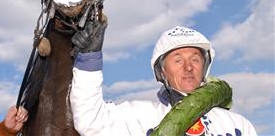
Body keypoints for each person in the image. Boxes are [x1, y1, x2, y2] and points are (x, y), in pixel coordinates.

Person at [70, 21, 257, 136]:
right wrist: (89, 59)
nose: (189, 67)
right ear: (162, 72)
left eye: (195, 59)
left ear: (205, 67)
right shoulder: (140, 116)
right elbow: (90, 120)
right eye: (178, 60)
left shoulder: (237, 125)